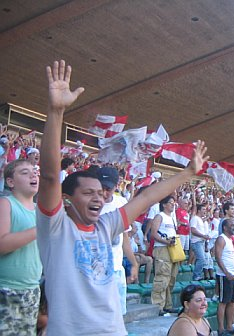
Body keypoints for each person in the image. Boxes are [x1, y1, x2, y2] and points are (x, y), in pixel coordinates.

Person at [36, 60, 208, 335]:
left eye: (101, 192)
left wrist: (187, 173)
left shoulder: (106, 225)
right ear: (66, 199)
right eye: (88, 192)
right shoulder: (56, 227)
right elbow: (48, 175)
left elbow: (148, 196)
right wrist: (56, 112)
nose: (100, 197)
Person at [0, 159, 42, 335]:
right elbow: (2, 244)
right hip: (7, 289)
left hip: (32, 289)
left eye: (34, 171)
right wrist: (41, 228)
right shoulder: (6, 204)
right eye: (25, 173)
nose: (33, 174)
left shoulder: (39, 210)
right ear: (10, 182)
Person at [97, 166, 138, 315]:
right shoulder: (89, 202)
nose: (104, 193)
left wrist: (133, 263)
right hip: (95, 271)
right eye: (101, 187)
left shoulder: (121, 202)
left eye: (108, 188)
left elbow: (124, 236)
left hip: (116, 269)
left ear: (116, 186)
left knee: (117, 317)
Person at [151, 195, 181, 314]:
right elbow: (154, 234)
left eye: (174, 203)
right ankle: (158, 305)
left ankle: (167, 304)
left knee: (171, 278)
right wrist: (166, 242)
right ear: (164, 204)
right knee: (162, 277)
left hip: (173, 249)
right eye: (170, 203)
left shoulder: (172, 218)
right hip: (162, 248)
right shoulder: (160, 216)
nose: (173, 204)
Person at [215, 218, 234, 336]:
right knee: (223, 301)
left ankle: (229, 326)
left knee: (232, 301)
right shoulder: (221, 239)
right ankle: (221, 329)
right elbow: (218, 257)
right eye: (231, 225)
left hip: (233, 274)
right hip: (225, 275)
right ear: (225, 227)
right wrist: (227, 273)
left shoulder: (231, 240)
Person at [190, 204, 211, 280]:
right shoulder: (195, 218)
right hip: (196, 242)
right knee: (201, 258)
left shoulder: (200, 220)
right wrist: (203, 236)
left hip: (201, 242)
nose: (205, 211)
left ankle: (197, 275)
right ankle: (196, 276)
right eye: (203, 209)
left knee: (201, 258)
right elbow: (193, 230)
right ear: (199, 210)